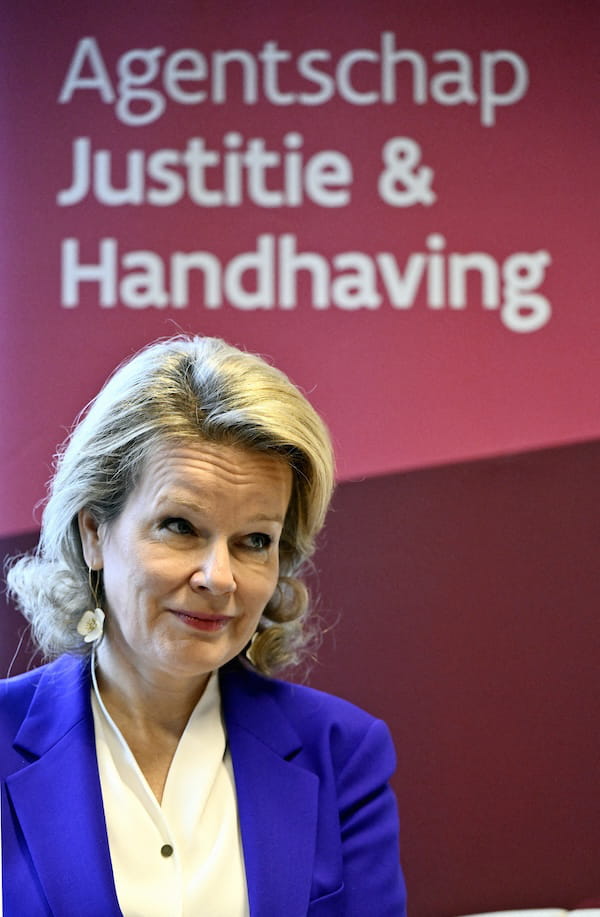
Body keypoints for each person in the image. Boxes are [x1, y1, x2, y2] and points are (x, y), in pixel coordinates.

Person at [2, 335, 407, 916]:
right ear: (94, 532)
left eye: (255, 540)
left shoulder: (341, 754)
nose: (219, 577)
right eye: (180, 526)